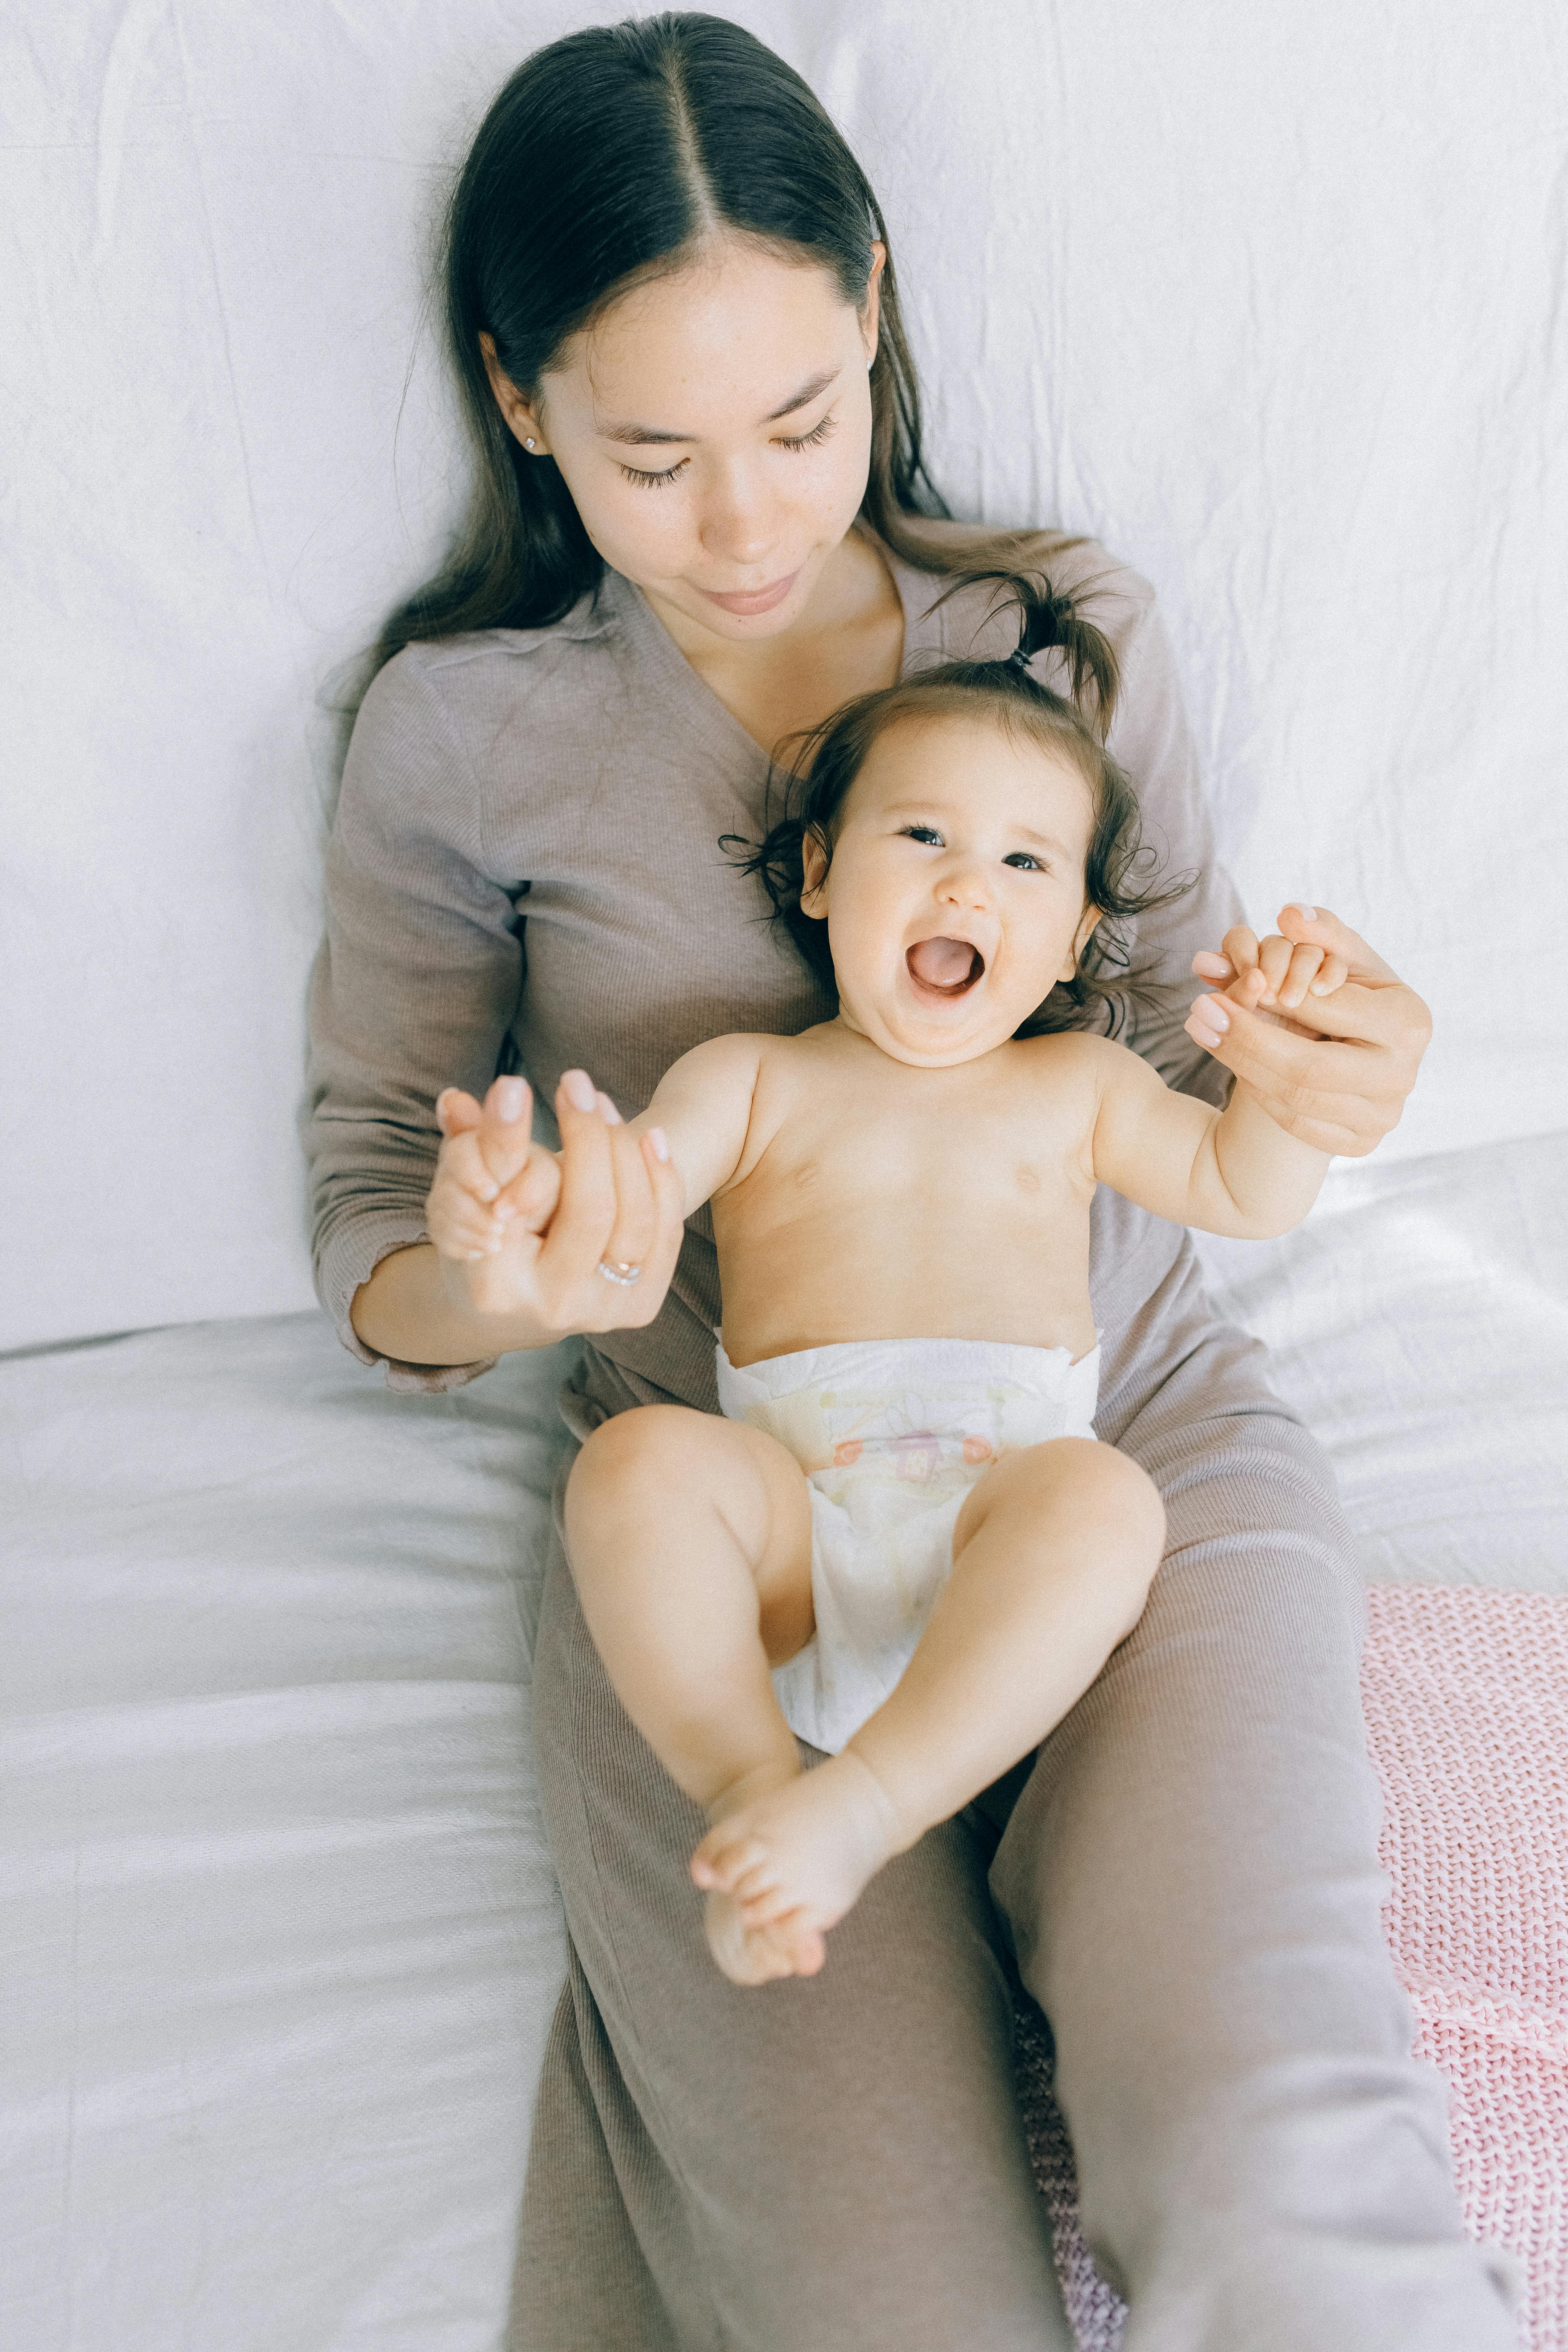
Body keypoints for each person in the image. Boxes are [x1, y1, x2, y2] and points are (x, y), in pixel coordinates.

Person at [304, 14, 1515, 2348]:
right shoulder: (468, 734)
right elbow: (372, 1205)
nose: (749, 526)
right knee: (885, 2308)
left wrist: (1319, 1079)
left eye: (799, 424)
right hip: (735, 1528)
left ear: (874, 305)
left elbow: (1185, 1056)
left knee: (1290, 2190)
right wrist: (497, 1276)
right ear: (523, 399)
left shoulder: (1059, 635)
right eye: (654, 458)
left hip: (1114, 1443)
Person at [424, 573, 1355, 1992]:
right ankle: (753, 1796)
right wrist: (526, 1196)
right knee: (633, 1469)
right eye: (920, 833)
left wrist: (1290, 1076)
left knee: (1107, 1498)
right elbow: (636, 1194)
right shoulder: (755, 1078)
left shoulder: (1081, 1087)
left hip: (1003, 1533)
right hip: (795, 1549)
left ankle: (860, 1809)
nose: (967, 883)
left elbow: (1243, 1189)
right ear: (817, 875)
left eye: (1027, 865)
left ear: (1079, 937)